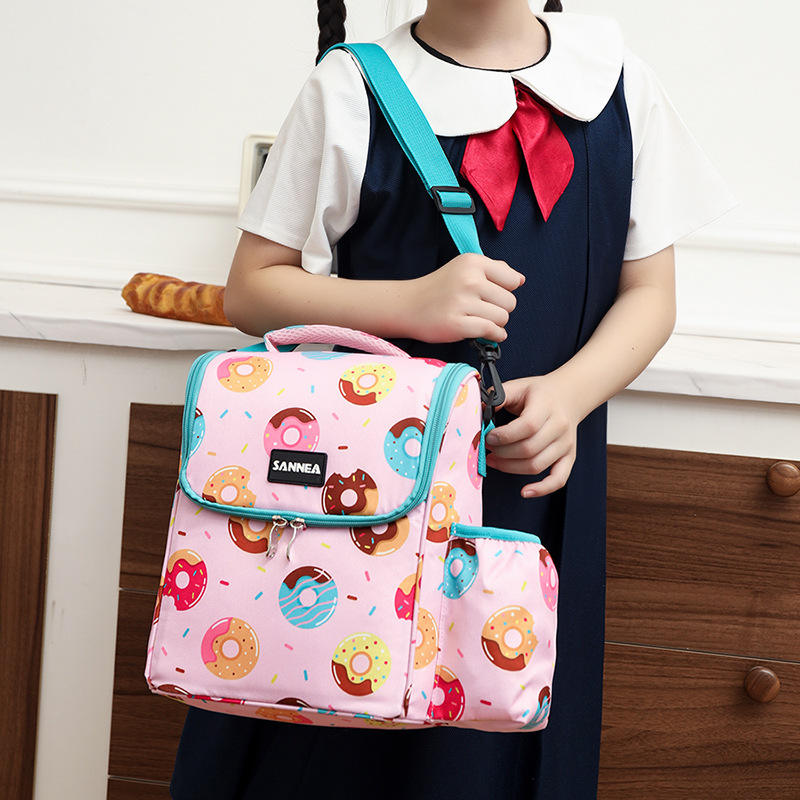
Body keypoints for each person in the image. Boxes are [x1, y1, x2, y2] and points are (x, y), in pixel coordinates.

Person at [168, 1, 738, 798]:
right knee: (342, 726)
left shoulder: (616, 85)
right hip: (367, 499)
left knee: (494, 738)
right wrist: (412, 304)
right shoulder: (351, 87)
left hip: (529, 488)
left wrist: (571, 397)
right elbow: (252, 289)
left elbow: (651, 293)